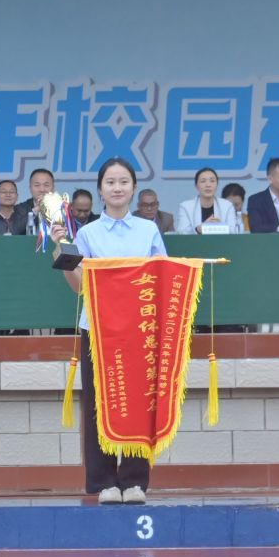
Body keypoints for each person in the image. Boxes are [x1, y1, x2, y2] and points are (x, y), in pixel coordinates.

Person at [50, 158, 165, 505]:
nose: (117, 188)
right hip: (98, 329)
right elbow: (79, 287)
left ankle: (134, 480)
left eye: (123, 181)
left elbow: (160, 278)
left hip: (138, 329)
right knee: (98, 403)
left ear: (134, 187)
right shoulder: (87, 234)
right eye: (110, 182)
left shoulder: (148, 230)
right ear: (100, 189)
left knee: (138, 403)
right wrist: (62, 251)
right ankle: (104, 482)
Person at [173, 167, 241, 234]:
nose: (208, 185)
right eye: (203, 181)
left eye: (212, 181)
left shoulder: (227, 206)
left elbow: (234, 232)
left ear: (217, 185)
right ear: (196, 186)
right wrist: (199, 229)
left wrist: (219, 227)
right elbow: (182, 233)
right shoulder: (186, 207)